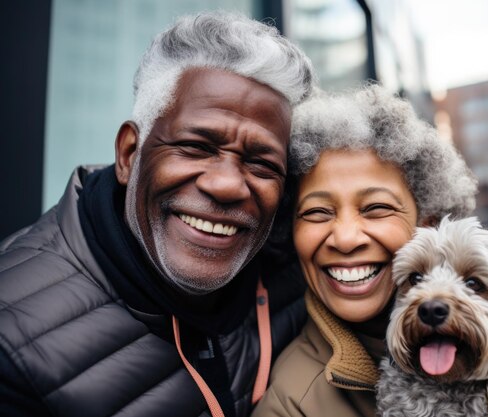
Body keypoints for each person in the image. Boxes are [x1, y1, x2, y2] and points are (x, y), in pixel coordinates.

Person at [0, 12, 314, 417]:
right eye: (197, 146)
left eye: (261, 164)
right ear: (130, 154)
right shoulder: (12, 341)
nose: (228, 185)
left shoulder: (299, 269)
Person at [251, 85, 478, 417]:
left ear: (427, 224)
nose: (345, 238)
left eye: (376, 208)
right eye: (317, 212)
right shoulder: (290, 405)